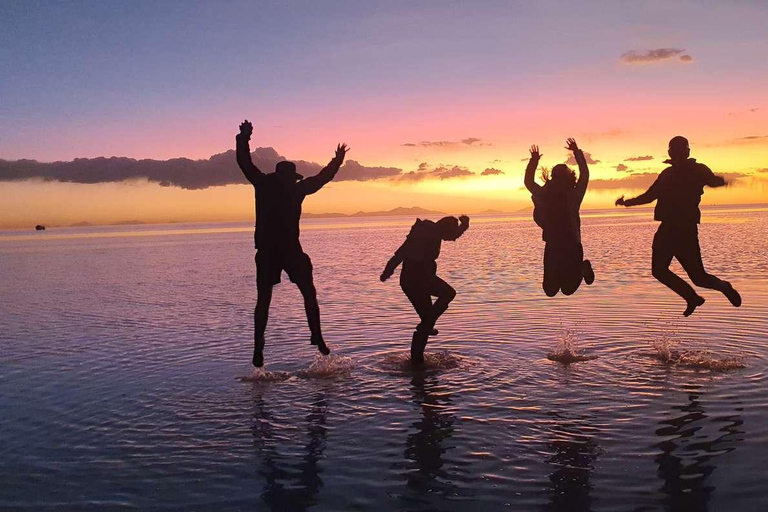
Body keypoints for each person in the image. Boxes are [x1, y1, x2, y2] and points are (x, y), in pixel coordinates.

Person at [236, 119, 349, 367]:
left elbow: (321, 178)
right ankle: (259, 347)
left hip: (285, 250)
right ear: (282, 176)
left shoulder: (292, 188)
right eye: (292, 178)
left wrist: (337, 161)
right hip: (272, 251)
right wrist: (244, 137)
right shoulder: (267, 185)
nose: (295, 181)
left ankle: (316, 335)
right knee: (265, 299)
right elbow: (244, 162)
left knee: (307, 291)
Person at [616, 136, 741, 316]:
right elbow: (650, 195)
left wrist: (722, 181)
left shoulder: (697, 170)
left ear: (687, 152)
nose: (679, 154)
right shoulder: (667, 174)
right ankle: (691, 297)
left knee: (698, 277)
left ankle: (723, 287)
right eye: (675, 151)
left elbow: (712, 181)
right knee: (659, 270)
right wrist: (627, 203)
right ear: (670, 153)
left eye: (682, 150)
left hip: (686, 231)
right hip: (667, 229)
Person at [380, 215, 469, 365]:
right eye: (450, 233)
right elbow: (401, 253)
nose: (450, 238)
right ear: (443, 228)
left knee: (428, 319)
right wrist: (388, 271)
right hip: (413, 281)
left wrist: (464, 226)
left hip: (424, 279)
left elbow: (452, 235)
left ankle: (417, 358)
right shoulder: (422, 234)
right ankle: (417, 355)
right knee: (445, 297)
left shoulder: (436, 232)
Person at [524, 138, 594, 297]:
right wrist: (533, 161)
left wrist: (577, 153)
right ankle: (580, 270)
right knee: (550, 290)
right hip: (553, 246)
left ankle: (583, 268)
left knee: (568, 289)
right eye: (557, 177)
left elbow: (585, 175)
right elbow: (528, 182)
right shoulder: (545, 194)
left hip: (572, 246)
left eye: (562, 177)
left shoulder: (574, 195)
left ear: (568, 179)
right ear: (553, 178)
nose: (559, 181)